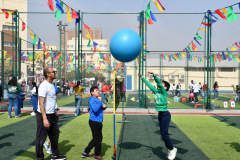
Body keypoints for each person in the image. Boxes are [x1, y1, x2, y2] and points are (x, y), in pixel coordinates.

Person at [138, 71, 177, 160]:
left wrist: (154, 76)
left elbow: (158, 83)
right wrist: (142, 77)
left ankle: (172, 149)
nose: (159, 85)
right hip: (160, 114)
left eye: (162, 84)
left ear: (165, 88)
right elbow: (149, 85)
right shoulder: (156, 91)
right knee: (163, 134)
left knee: (164, 134)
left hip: (165, 115)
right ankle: (171, 148)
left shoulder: (164, 92)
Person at [36, 68, 66, 160]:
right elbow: (41, 103)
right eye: (53, 72)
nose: (55, 73)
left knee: (55, 134)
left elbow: (51, 102)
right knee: (41, 138)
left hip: (51, 114)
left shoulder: (52, 85)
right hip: (43, 115)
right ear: (48, 74)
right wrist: (45, 119)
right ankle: (40, 158)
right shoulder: (43, 85)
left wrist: (54, 113)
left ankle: (55, 155)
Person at [81, 86, 107, 160]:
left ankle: (86, 152)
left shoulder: (96, 99)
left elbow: (101, 107)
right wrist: (99, 101)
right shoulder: (93, 99)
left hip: (98, 121)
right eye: (96, 90)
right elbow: (95, 109)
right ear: (92, 93)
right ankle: (97, 155)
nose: (98, 91)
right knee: (98, 138)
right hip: (94, 121)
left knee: (96, 138)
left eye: (98, 90)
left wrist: (104, 106)